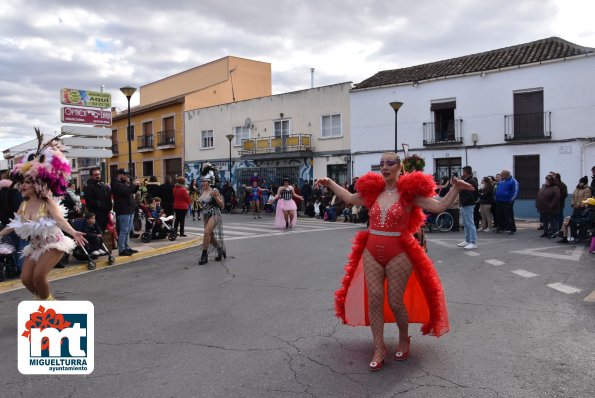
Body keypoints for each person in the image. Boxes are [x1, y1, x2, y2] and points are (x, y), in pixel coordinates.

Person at [318, 151, 473, 372]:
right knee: (374, 298)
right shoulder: (374, 191)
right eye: (381, 163)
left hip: (399, 251)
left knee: (395, 301)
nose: (384, 167)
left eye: (390, 163)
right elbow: (351, 198)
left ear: (399, 167)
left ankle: (403, 338)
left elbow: (438, 207)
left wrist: (456, 188)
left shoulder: (408, 194)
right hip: (372, 249)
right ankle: (379, 348)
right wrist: (330, 182)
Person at [0, 132, 87, 300]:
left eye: (27, 182)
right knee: (26, 279)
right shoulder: (23, 204)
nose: (23, 185)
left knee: (39, 277)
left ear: (37, 184)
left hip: (54, 244)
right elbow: (13, 225)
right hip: (35, 246)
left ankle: (48, 304)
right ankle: (43, 299)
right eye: (22, 182)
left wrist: (74, 232)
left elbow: (60, 220)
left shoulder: (47, 202)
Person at [198, 163, 226, 265]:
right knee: (211, 238)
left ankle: (204, 256)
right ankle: (219, 249)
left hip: (215, 213)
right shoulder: (201, 191)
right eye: (202, 181)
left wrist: (215, 197)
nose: (203, 183)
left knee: (206, 232)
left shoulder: (214, 191)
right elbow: (201, 202)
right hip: (205, 215)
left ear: (210, 182)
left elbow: (222, 205)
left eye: (205, 181)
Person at [0, 173, 26, 273]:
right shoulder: (15, 193)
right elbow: (20, 213)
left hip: (7, 224)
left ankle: (14, 269)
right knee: (22, 248)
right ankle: (21, 269)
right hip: (20, 225)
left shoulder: (3, 193)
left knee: (14, 247)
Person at [111, 169, 140, 256]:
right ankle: (121, 249)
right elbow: (126, 191)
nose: (126, 176)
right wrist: (133, 184)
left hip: (129, 209)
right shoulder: (116, 184)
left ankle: (126, 247)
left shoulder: (123, 183)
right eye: (125, 175)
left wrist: (137, 186)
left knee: (128, 230)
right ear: (119, 175)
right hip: (123, 210)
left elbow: (132, 191)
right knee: (124, 230)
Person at [83, 167, 112, 231]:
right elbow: (89, 200)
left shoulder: (102, 184)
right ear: (91, 176)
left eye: (99, 174)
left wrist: (108, 206)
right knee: (97, 232)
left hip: (105, 213)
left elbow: (107, 196)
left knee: (103, 231)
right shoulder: (88, 186)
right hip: (96, 214)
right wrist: (100, 205)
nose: (98, 176)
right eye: (95, 175)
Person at [458, 166, 479, 249]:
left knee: (470, 224)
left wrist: (463, 202)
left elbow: (470, 194)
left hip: (468, 204)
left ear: (466, 172)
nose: (462, 173)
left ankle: (473, 242)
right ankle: (467, 240)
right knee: (466, 224)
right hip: (465, 204)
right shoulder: (467, 180)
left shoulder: (471, 181)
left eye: (463, 171)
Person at [494, 170, 518, 234]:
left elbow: (515, 192)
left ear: (506, 175)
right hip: (499, 201)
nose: (500, 176)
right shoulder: (501, 181)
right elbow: (498, 190)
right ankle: (500, 227)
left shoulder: (513, 181)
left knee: (508, 216)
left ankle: (512, 229)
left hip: (507, 202)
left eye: (502, 175)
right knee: (499, 215)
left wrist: (510, 201)